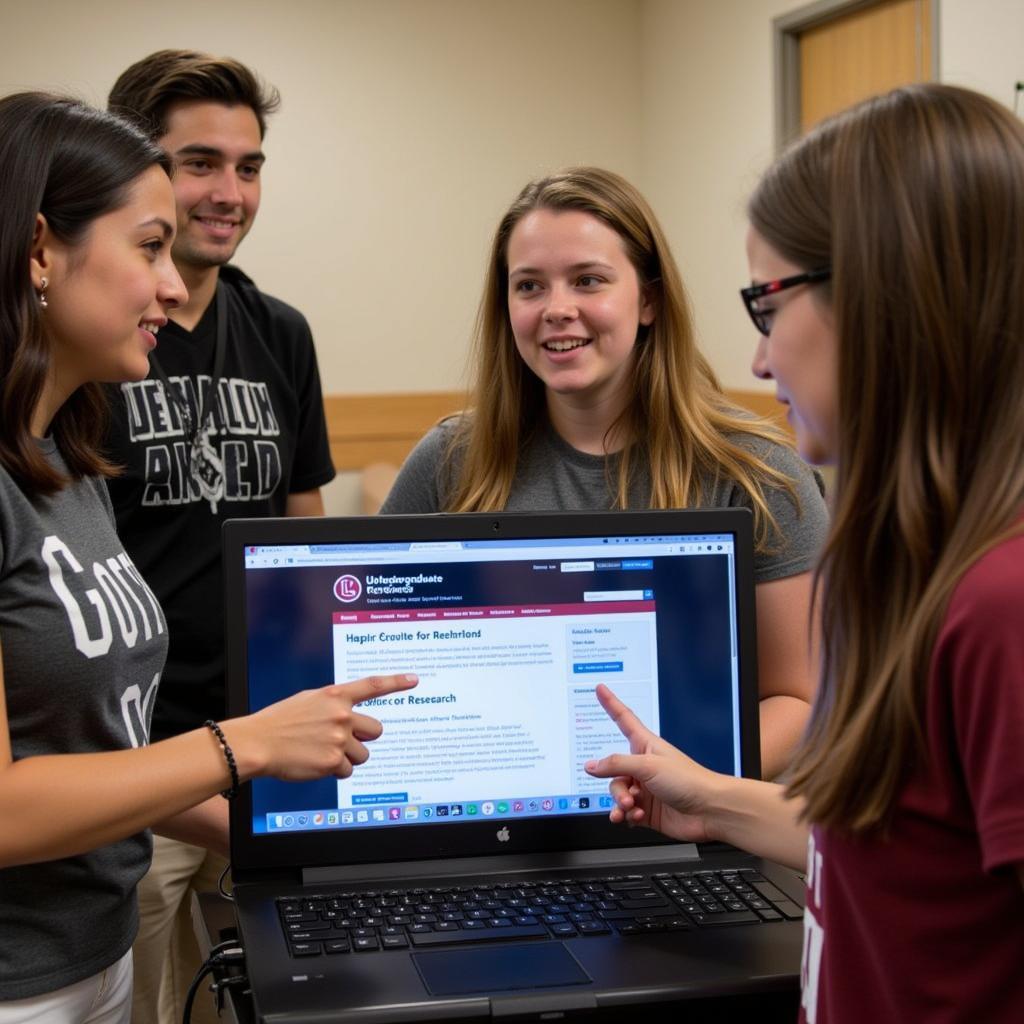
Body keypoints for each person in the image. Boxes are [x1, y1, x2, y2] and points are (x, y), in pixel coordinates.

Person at [585, 83, 1024, 1023]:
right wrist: (713, 803)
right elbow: (904, 850)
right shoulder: (912, 562)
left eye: (765, 303)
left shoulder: (1003, 605)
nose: (756, 361)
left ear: (884, 293)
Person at [0, 92, 416, 1024]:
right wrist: (245, 746)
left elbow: (95, 737)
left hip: (90, 947)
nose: (175, 285)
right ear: (37, 251)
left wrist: (267, 820)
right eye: (148, 247)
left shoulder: (69, 464)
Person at [382, 166, 828, 779]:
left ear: (648, 299)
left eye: (588, 280)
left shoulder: (756, 473)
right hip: (493, 819)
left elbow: (800, 700)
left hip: (693, 830)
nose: (557, 310)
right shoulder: (448, 461)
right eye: (530, 286)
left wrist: (685, 790)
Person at [104, 50, 336, 1024]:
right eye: (201, 163)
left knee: (260, 1003)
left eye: (249, 166)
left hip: (265, 753)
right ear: (140, 170)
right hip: (136, 763)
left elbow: (307, 536)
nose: (229, 192)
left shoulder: (278, 330)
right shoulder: (96, 338)